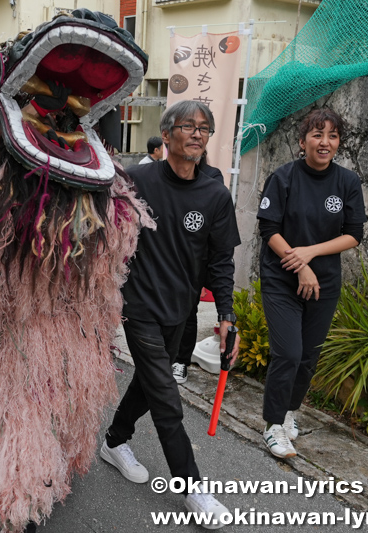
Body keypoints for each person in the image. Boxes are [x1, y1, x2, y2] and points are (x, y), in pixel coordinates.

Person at [100, 100, 240, 527]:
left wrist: (226, 314)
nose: (197, 134)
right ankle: (192, 487)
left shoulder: (215, 195)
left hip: (180, 311)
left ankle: (114, 440)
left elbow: (220, 262)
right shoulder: (136, 180)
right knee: (166, 398)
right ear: (167, 134)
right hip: (139, 306)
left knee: (149, 381)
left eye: (205, 128)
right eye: (188, 126)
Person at [256, 108, 365, 459]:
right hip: (281, 279)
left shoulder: (348, 182)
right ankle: (272, 425)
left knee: (308, 357)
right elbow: (269, 229)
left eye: (332, 136)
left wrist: (310, 255)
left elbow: (354, 235)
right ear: (302, 142)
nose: (325, 142)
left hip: (325, 282)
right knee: (288, 352)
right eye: (317, 134)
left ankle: (289, 413)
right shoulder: (284, 178)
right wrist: (299, 265)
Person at [171, 158, 227, 384]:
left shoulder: (212, 176)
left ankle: (181, 361)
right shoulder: (164, 174)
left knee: (187, 312)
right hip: (166, 254)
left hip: (194, 260)